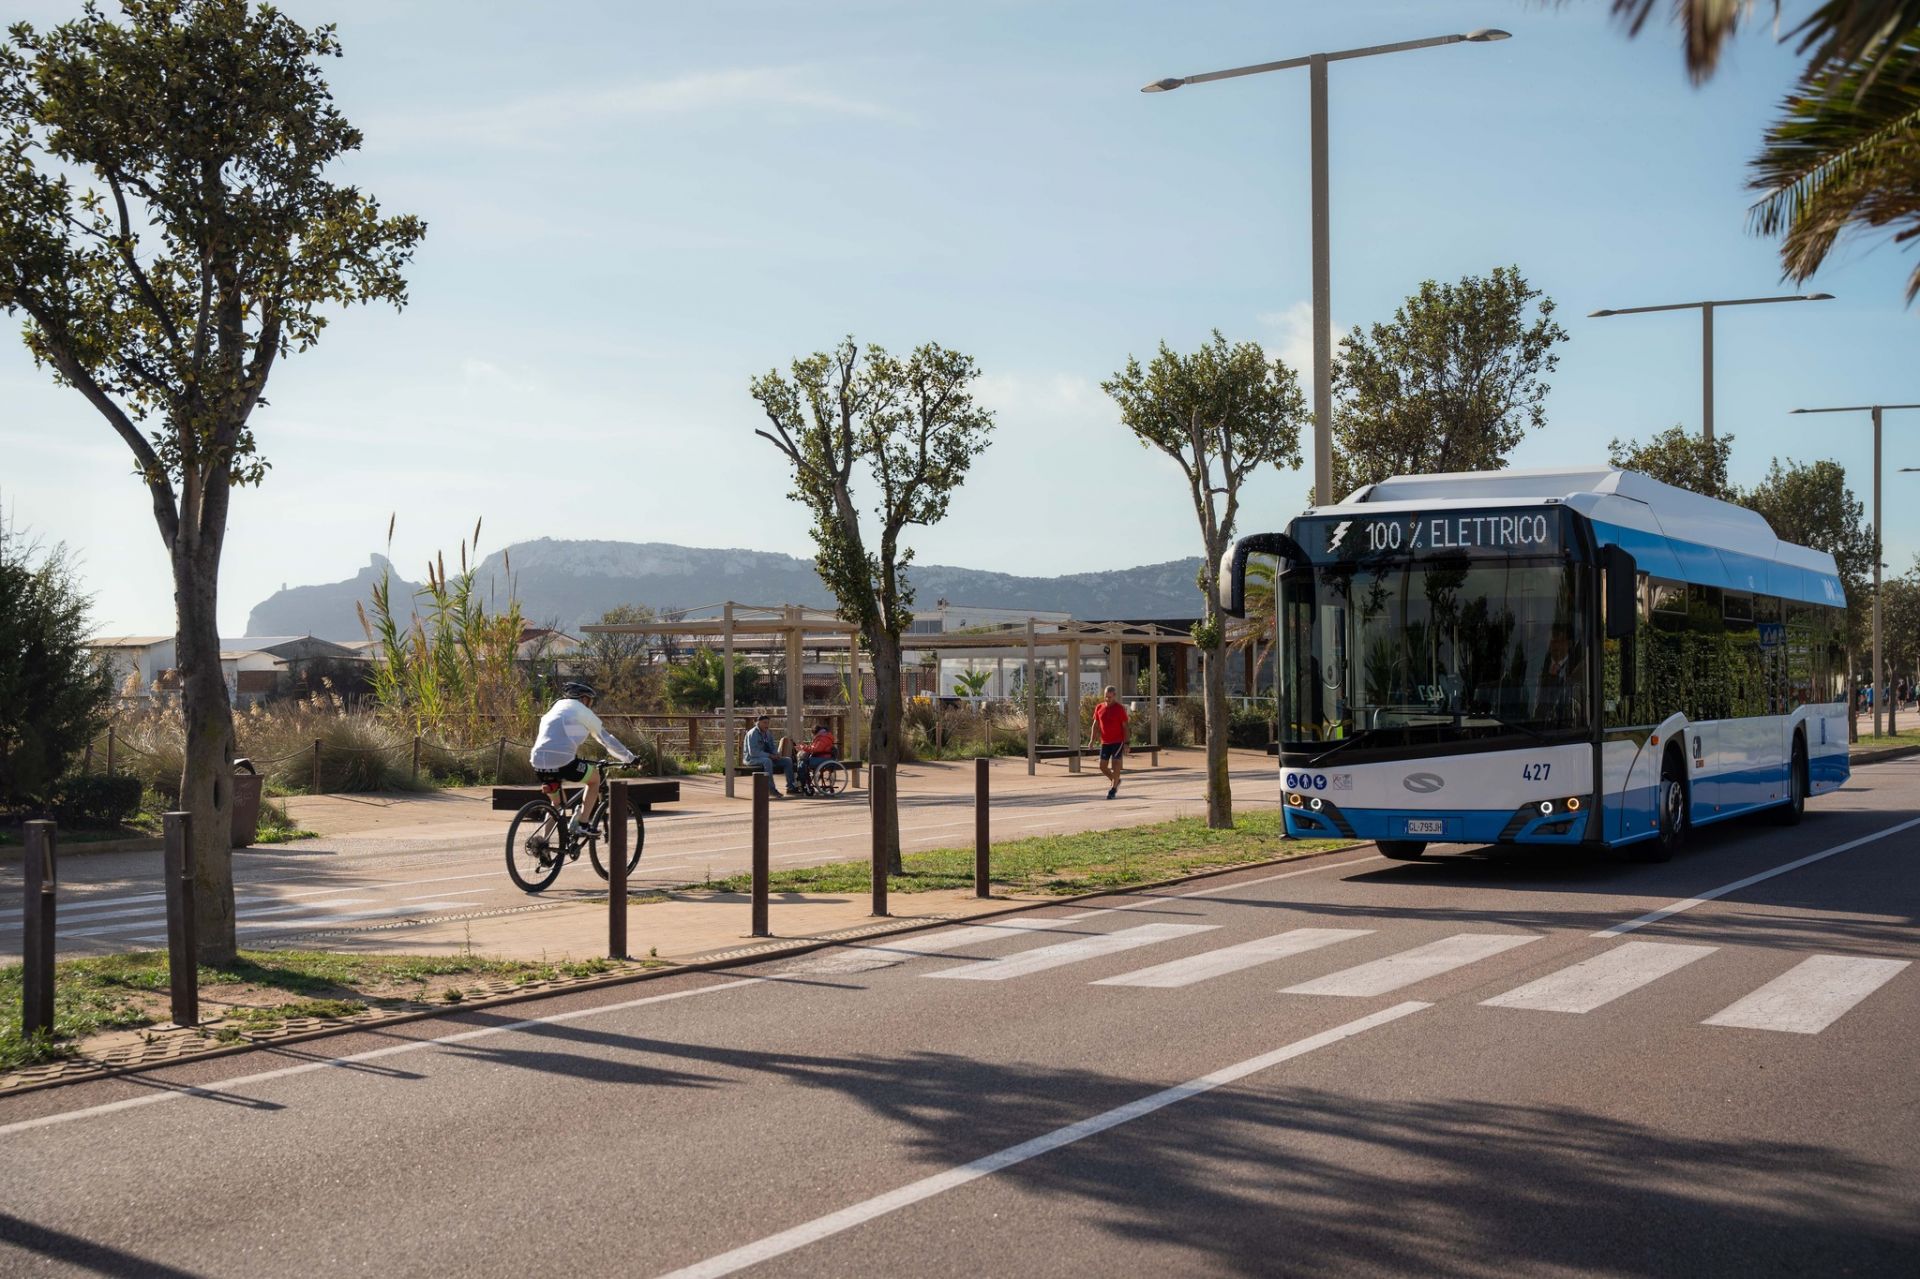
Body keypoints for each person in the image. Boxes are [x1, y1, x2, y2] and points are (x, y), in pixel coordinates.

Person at [528, 681, 635, 833]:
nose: (590, 705)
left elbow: (565, 735)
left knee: (557, 805)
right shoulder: (581, 711)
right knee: (595, 779)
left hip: (537, 760)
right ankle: (583, 824)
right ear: (583, 698)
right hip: (563, 762)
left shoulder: (556, 708)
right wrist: (629, 758)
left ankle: (543, 845)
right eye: (590, 701)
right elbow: (606, 739)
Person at [1087, 685, 1130, 800]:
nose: (1107, 699)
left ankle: (1113, 789)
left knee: (1116, 763)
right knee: (1102, 766)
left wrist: (1127, 743)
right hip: (1105, 742)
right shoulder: (1099, 707)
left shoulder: (1119, 709)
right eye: (1106, 697)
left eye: (1110, 697)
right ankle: (1115, 779)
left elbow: (1125, 726)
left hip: (1118, 741)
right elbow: (1095, 725)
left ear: (1114, 696)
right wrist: (1092, 740)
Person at [742, 714, 798, 797]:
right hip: (752, 759)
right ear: (758, 723)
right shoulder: (753, 733)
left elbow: (772, 746)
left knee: (787, 760)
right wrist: (769, 756)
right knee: (767, 761)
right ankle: (771, 790)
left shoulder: (768, 733)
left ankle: (791, 787)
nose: (766, 725)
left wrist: (776, 754)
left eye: (768, 723)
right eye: (764, 723)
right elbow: (753, 752)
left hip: (766, 758)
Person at [796, 720, 836, 791]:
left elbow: (817, 749)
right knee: (802, 763)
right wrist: (806, 747)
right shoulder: (824, 736)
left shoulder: (823, 738)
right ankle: (805, 783)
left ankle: (804, 783)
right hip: (824, 757)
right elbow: (814, 747)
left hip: (823, 758)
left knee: (803, 763)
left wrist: (803, 747)